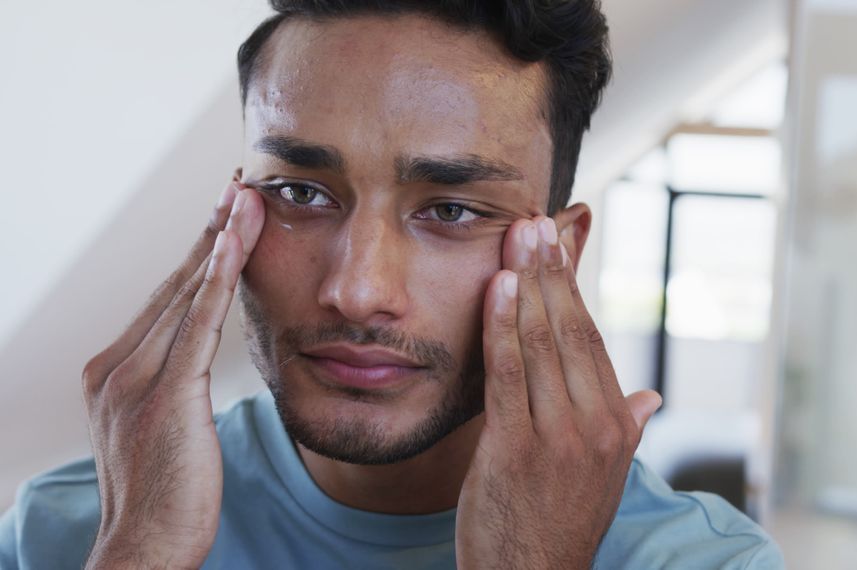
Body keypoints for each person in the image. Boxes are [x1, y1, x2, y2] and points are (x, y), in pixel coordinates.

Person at [0, 1, 783, 568]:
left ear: (561, 254)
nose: (358, 289)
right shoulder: (62, 534)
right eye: (301, 194)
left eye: (450, 209)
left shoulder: (697, 563)